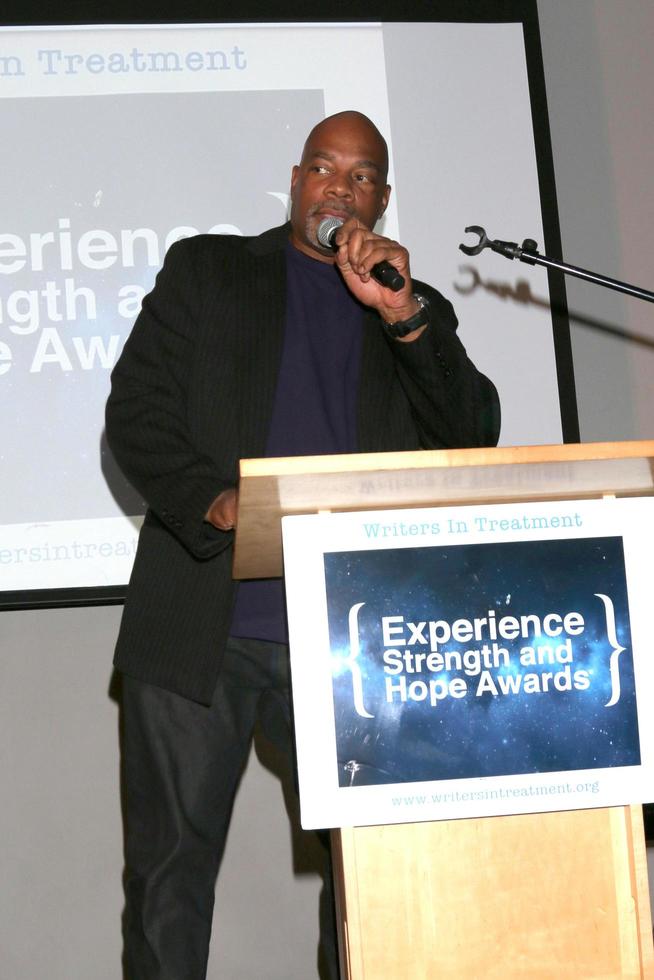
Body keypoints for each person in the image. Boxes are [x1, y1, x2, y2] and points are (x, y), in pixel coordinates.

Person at [105, 110, 500, 980]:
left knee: (371, 875)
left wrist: (403, 315)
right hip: (201, 624)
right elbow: (134, 413)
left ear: (382, 201)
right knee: (170, 879)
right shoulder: (210, 270)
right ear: (295, 181)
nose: (339, 187)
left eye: (360, 177)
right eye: (325, 168)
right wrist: (210, 502)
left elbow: (473, 430)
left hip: (348, 641)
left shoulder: (405, 306)